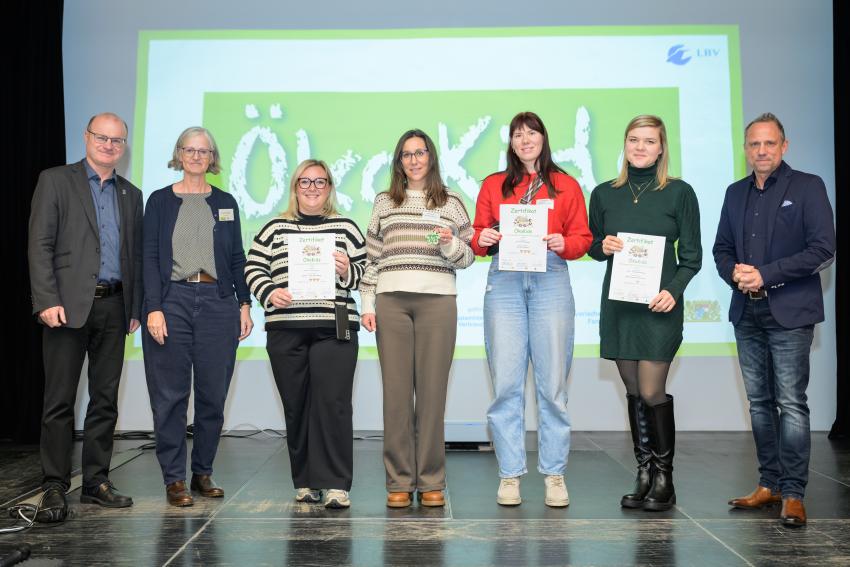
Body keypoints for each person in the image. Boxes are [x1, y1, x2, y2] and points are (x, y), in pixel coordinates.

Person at [713, 112, 835, 527]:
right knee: (760, 404)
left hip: (790, 312)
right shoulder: (734, 193)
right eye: (754, 144)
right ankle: (770, 484)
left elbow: (823, 249)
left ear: (784, 146)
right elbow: (721, 248)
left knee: (790, 403)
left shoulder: (807, 186)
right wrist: (735, 273)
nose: (761, 150)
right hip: (746, 310)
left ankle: (795, 493)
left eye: (769, 143)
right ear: (746, 149)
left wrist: (766, 274)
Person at [472, 111, 592, 507]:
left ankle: (554, 473)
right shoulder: (493, 184)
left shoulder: (565, 185)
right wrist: (483, 237)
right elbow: (476, 236)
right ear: (510, 142)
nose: (525, 140)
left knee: (553, 385)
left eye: (532, 133)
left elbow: (583, 238)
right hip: (505, 280)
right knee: (506, 384)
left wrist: (564, 243)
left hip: (550, 278)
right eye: (518, 134)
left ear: (543, 138)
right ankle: (510, 474)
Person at [28, 112, 143, 521]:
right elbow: (40, 244)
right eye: (102, 137)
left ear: (123, 146)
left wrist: (135, 307)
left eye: (117, 141)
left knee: (105, 400)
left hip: (115, 306)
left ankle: (96, 482)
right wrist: (46, 299)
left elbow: (134, 256)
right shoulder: (56, 180)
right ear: (87, 136)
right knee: (59, 401)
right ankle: (55, 485)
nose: (109, 145)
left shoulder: (131, 193)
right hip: (65, 307)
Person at [588, 114, 702, 511]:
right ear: (625, 145)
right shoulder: (604, 193)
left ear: (661, 147)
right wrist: (601, 246)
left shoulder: (679, 193)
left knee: (653, 390)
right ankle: (643, 472)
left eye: (649, 141)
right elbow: (592, 242)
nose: (640, 147)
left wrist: (673, 291)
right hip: (620, 306)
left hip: (659, 306)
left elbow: (691, 257)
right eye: (633, 139)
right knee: (634, 391)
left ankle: (665, 478)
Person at [360, 129, 474, 508]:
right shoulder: (383, 202)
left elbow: (468, 256)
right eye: (406, 154)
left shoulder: (453, 201)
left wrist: (449, 243)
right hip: (390, 301)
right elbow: (372, 258)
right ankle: (398, 480)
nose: (414, 160)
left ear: (431, 157)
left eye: (420, 152)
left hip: (438, 301)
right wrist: (367, 303)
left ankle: (431, 481)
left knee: (431, 396)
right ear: (399, 162)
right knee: (395, 396)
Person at [245, 159, 366, 509]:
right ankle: (306, 481)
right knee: (296, 406)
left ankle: (336, 485)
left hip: (335, 327)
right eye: (305, 182)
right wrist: (269, 292)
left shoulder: (346, 227)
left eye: (320, 182)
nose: (312, 188)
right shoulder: (274, 228)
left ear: (329, 187)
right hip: (286, 327)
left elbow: (368, 272)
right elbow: (253, 266)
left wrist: (347, 271)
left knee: (334, 405)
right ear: (295, 187)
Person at [142, 126, 253, 507]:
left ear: (212, 158)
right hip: (171, 299)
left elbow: (236, 257)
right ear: (178, 154)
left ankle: (202, 472)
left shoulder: (226, 201)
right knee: (170, 395)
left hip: (218, 301)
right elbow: (150, 257)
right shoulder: (159, 201)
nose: (195, 156)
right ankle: (174, 479)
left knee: (213, 395)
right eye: (189, 149)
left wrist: (244, 303)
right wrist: (153, 307)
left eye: (203, 151)